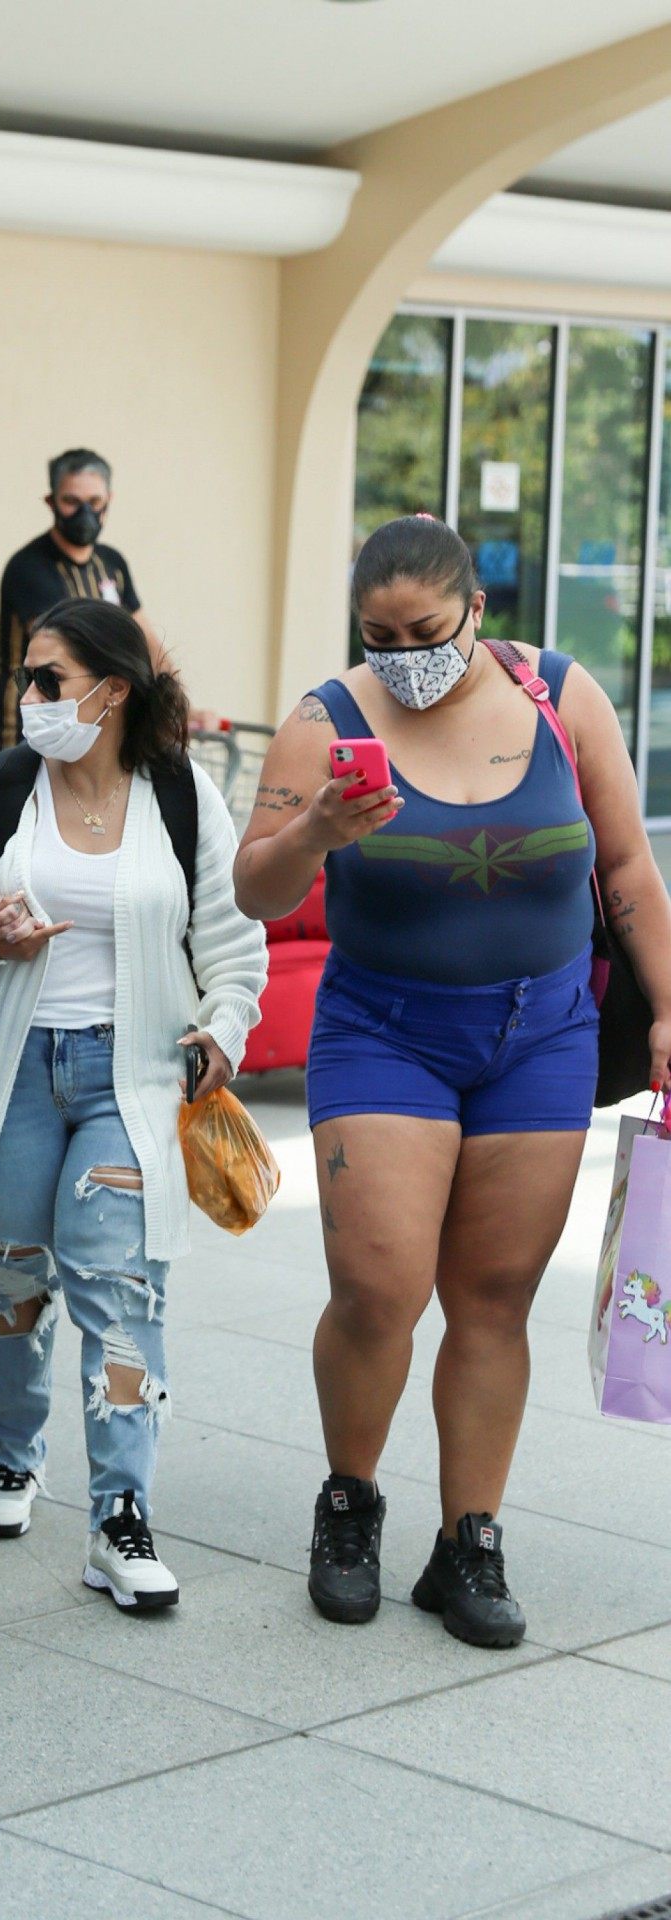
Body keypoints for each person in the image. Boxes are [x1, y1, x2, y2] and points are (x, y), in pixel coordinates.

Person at [234, 513, 671, 1650]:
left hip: (541, 1036)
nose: (401, 653)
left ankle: (466, 1540)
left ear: (475, 611)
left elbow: (623, 865)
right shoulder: (322, 721)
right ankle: (348, 1503)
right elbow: (254, 891)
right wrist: (318, 829)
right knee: (377, 1287)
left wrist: (669, 1005)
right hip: (383, 1031)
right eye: (376, 635)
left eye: (423, 630)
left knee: (492, 1296)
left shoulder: (559, 697)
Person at [0, 598, 266, 1610]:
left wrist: (221, 1032)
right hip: (11, 1069)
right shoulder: (2, 787)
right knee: (12, 1280)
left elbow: (233, 944)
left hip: (132, 1076)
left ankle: (119, 1516)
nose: (28, 698)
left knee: (119, 1288)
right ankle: (12, 1455)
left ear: (110, 693)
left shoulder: (182, 798)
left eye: (47, 680)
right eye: (26, 677)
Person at [0, 449, 162, 752]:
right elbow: (67, 648)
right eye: (71, 502)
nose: (85, 513)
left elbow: (146, 640)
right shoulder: (29, 567)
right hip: (34, 722)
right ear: (51, 502)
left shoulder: (112, 563)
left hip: (98, 727)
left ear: (109, 500)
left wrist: (173, 701)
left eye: (95, 502)